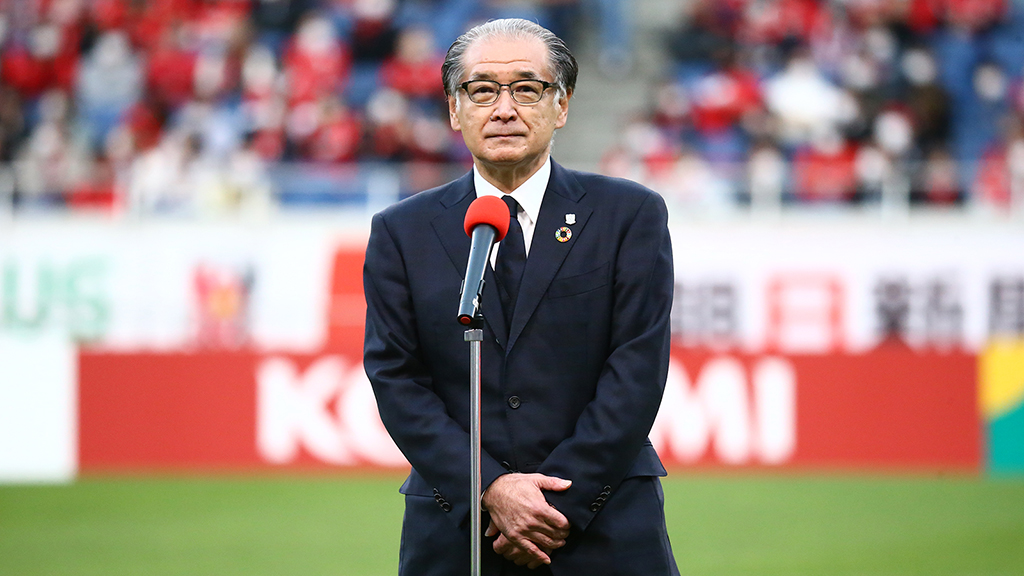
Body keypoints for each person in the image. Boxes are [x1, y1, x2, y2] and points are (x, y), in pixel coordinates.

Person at [363, 18, 678, 575]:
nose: (503, 108)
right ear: (455, 110)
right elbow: (396, 378)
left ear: (561, 105)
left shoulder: (629, 215)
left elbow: (637, 369)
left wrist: (552, 505)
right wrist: (489, 489)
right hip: (458, 530)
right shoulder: (401, 231)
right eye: (482, 90)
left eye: (526, 89)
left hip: (604, 528)